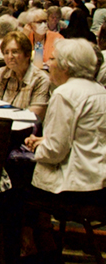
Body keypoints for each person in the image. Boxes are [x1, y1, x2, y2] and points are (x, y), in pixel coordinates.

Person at [23, 39, 106, 206]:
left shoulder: (64, 93)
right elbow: (85, 137)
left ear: (65, 66)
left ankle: (34, 231)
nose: (47, 62)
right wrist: (44, 140)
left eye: (52, 59)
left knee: (15, 182)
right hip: (98, 181)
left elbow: (54, 152)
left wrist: (37, 147)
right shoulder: (99, 90)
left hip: (73, 188)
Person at [0, 30, 51, 122]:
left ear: (27, 54)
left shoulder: (40, 79)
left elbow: (35, 116)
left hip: (25, 131)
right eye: (6, 53)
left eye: (15, 52)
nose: (10, 56)